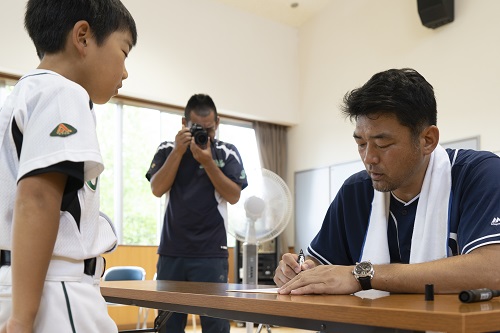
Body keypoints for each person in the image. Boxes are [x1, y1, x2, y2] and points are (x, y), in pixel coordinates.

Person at [274, 68, 500, 296]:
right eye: (361, 143)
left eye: (382, 144)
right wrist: (298, 270)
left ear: (427, 140)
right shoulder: (356, 191)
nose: (369, 158)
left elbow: (493, 269)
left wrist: (362, 275)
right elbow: (320, 263)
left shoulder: (479, 174)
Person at [0, 0, 137, 332]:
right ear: (83, 37)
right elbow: (38, 199)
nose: (125, 71)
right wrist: (23, 319)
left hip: (19, 283)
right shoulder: (64, 93)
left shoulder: (21, 96)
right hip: (53, 289)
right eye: (124, 51)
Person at [145, 93, 248, 333]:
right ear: (184, 124)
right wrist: (179, 153)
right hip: (173, 252)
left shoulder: (226, 152)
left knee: (216, 324)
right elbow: (157, 189)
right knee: (168, 326)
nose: (205, 134)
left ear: (218, 123)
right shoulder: (167, 149)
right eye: (197, 128)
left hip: (211, 254)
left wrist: (208, 161)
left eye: (209, 129)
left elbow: (234, 196)